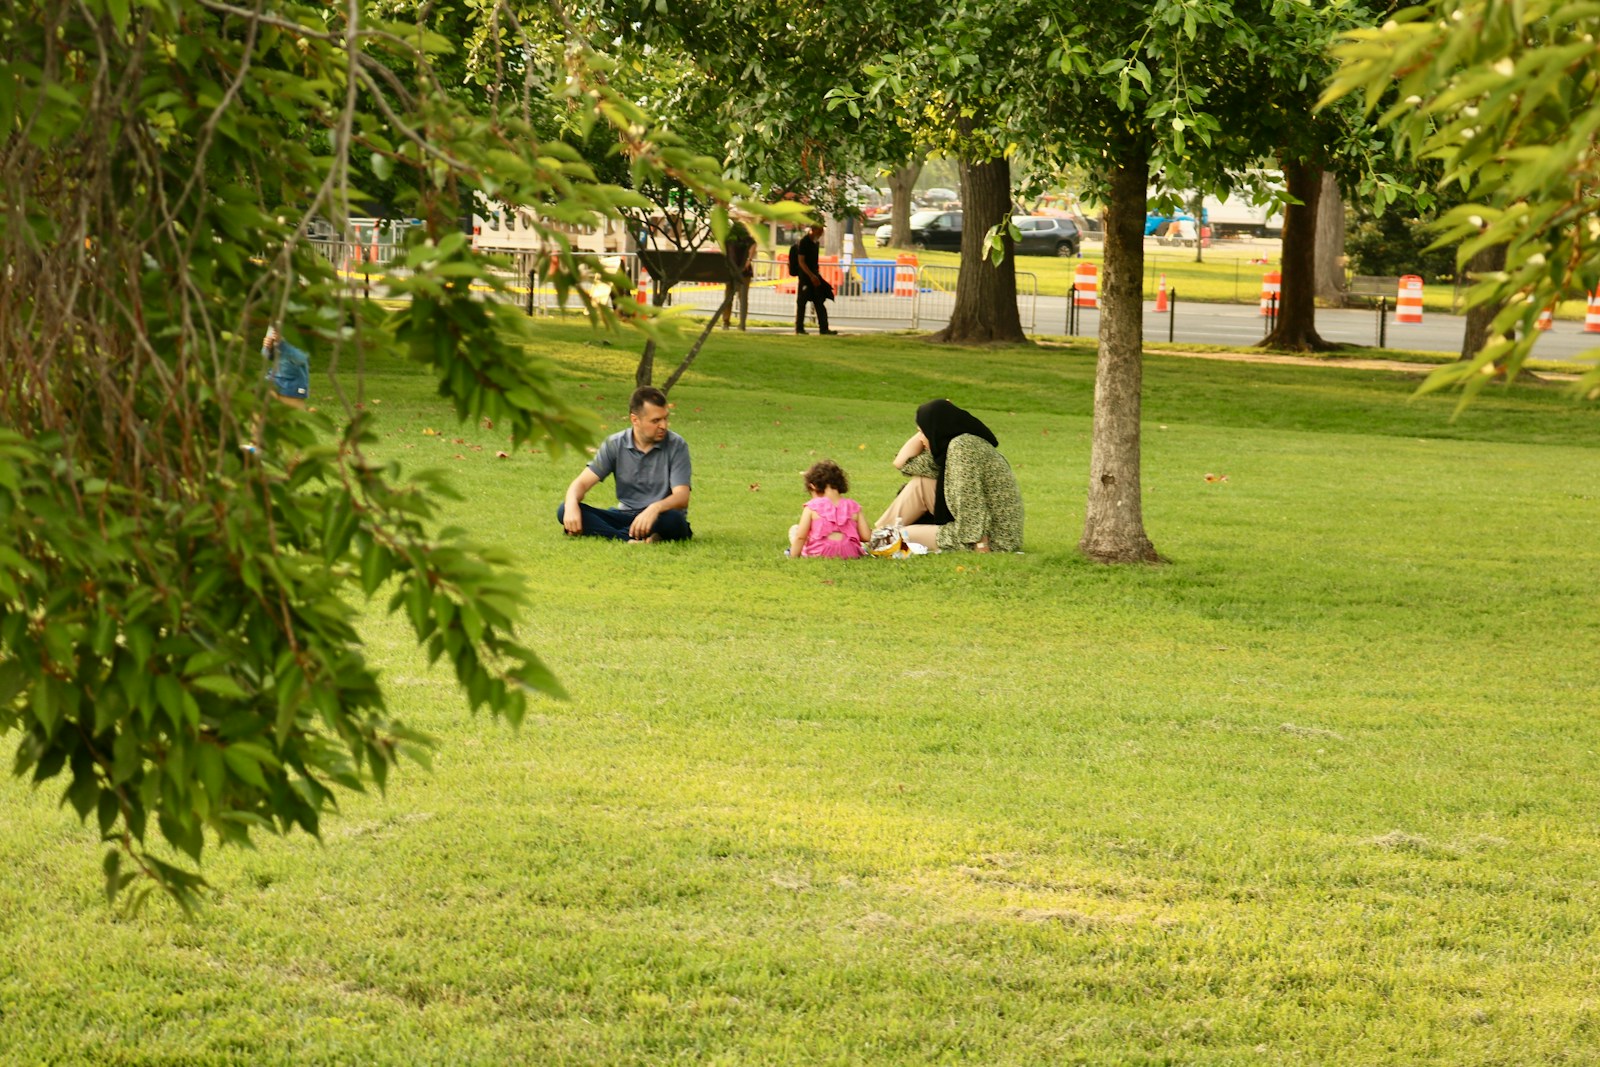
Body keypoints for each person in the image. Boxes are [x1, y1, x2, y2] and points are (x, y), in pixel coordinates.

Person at [875, 399, 1023, 553]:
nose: (920, 438)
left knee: (899, 536)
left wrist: (981, 546)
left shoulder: (963, 448)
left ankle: (878, 539)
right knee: (922, 482)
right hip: (975, 526)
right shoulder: (952, 446)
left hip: (993, 537)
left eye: (923, 432)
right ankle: (876, 534)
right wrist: (933, 421)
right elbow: (902, 462)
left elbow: (970, 498)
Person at [557, 385, 692, 542]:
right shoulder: (615, 444)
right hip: (625, 515)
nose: (663, 425)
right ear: (635, 420)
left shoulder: (677, 445)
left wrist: (654, 508)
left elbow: (682, 497)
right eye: (656, 420)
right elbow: (581, 483)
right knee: (563, 509)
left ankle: (616, 535)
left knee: (674, 521)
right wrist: (572, 504)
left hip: (660, 517)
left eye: (665, 418)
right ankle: (633, 538)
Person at [788, 459, 870, 559]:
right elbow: (866, 536)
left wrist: (793, 556)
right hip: (849, 553)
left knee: (795, 530)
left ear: (813, 486)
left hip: (820, 552)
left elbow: (800, 537)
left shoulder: (812, 506)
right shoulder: (853, 506)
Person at [791, 223, 837, 336]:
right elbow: (801, 261)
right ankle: (799, 328)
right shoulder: (804, 242)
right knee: (802, 303)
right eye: (819, 231)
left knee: (819, 302)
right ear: (813, 230)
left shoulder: (815, 243)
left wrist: (816, 275)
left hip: (815, 277)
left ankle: (824, 328)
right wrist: (811, 275)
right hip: (806, 278)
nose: (821, 234)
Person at [262, 324, 309, 408]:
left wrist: (281, 344)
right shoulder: (274, 324)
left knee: (292, 418)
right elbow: (264, 356)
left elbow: (300, 359)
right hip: (271, 382)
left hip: (292, 388)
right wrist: (269, 348)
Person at [721, 221, 757, 331]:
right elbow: (753, 246)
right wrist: (749, 260)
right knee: (741, 298)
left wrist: (748, 259)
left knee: (730, 298)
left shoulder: (729, 239)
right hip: (740, 271)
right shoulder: (744, 239)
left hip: (735, 271)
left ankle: (727, 322)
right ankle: (740, 323)